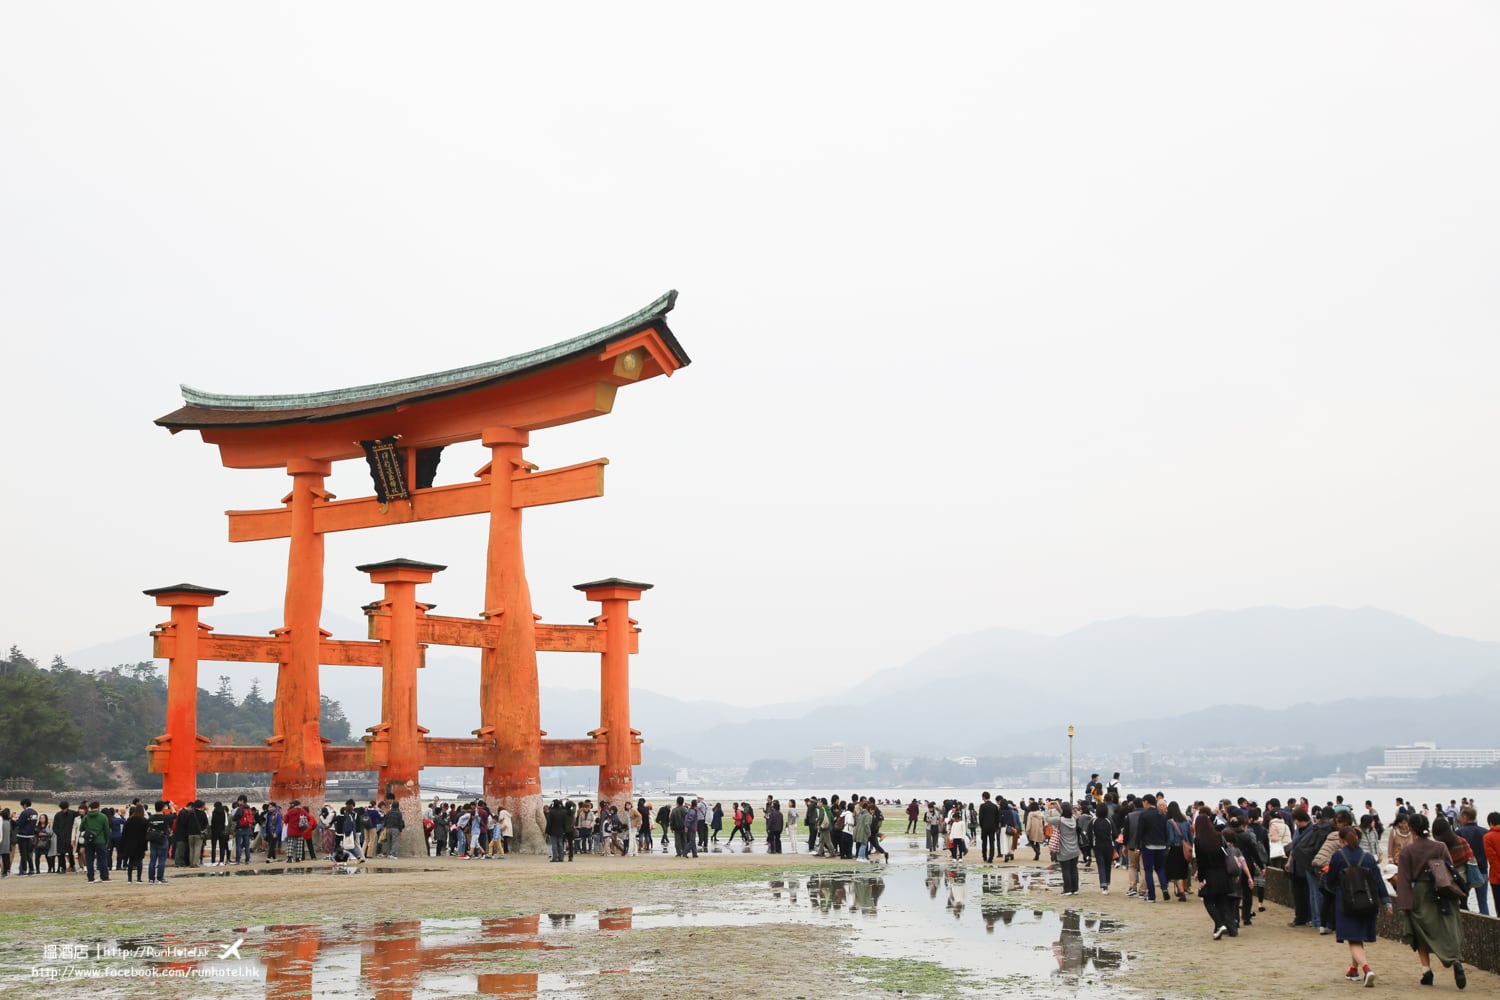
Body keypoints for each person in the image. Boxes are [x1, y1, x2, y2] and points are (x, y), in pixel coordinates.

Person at [1394, 813, 1465, 989]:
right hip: (1441, 892)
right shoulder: (1440, 846)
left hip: (1420, 894)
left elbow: (1403, 879)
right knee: (1448, 929)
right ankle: (1455, 961)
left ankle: (1427, 971)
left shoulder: (1408, 851)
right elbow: (1450, 870)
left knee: (1420, 933)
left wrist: (1405, 904)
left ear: (1411, 829)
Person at [1323, 826, 1392, 986]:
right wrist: (1386, 900)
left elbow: (1330, 881)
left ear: (1342, 840)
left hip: (1347, 902)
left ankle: (1367, 969)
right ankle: (1353, 970)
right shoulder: (1368, 858)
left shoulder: (1338, 857)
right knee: (1357, 936)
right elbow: (1378, 880)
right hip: (1367, 902)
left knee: (1353, 939)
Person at [1193, 811, 1236, 939]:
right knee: (1222, 901)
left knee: (1208, 900)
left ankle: (1219, 924)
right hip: (1222, 873)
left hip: (1210, 874)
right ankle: (1231, 928)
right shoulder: (1218, 836)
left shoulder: (1198, 840)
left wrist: (1201, 878)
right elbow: (1224, 855)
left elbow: (1200, 861)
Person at [1453, 805, 1489, 917]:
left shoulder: (1459, 833)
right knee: (1483, 902)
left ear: (1465, 817)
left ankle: (1466, 924)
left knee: (1463, 901)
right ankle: (1486, 925)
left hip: (1465, 871)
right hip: (1482, 869)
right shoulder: (1485, 832)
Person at [1164, 801, 1194, 902]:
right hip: (1185, 849)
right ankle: (1183, 889)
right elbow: (1190, 837)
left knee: (1176, 872)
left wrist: (1167, 847)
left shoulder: (1170, 822)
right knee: (1183, 870)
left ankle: (1181, 893)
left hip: (1175, 849)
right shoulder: (1186, 821)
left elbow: (1171, 838)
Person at [79, 801, 112, 883]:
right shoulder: (103, 816)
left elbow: (81, 828)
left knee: (89, 859)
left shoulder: (86, 817)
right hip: (100, 840)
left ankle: (90, 877)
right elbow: (106, 830)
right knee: (102, 858)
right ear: (98, 807)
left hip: (89, 841)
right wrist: (106, 840)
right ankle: (104, 876)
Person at [1055, 802, 1081, 895]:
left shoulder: (1059, 820)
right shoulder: (1074, 819)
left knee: (1065, 869)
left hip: (1064, 850)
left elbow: (1047, 819)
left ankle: (1067, 889)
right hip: (1075, 849)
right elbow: (1065, 814)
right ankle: (1075, 889)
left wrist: (1047, 808)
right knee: (1074, 869)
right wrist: (1058, 807)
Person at [119, 804, 148, 883]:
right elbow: (146, 833)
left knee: (131, 861)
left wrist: (123, 844)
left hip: (130, 843)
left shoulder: (129, 820)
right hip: (140, 843)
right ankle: (138, 878)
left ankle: (129, 879)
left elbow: (124, 833)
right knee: (139, 861)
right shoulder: (144, 820)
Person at [146, 801, 172, 884]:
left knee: (152, 860)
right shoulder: (165, 818)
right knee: (161, 860)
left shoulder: (150, 818)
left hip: (153, 840)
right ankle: (160, 878)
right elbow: (175, 815)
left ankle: (151, 878)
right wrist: (171, 806)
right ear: (162, 808)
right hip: (162, 840)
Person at [14, 798, 38, 876]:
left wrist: (14, 819)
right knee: (28, 853)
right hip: (30, 835)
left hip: (22, 835)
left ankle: (23, 870)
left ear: (24, 805)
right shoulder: (35, 812)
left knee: (23, 854)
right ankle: (31, 869)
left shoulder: (25, 812)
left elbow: (19, 823)